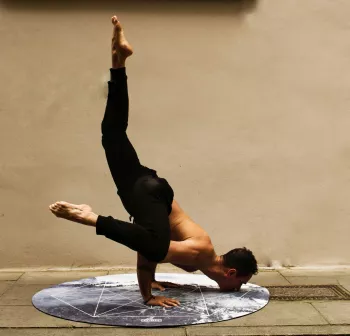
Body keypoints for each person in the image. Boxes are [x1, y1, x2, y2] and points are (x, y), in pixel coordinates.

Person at [49, 15, 258, 309]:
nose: (237, 288)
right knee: (155, 245)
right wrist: (148, 295)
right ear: (232, 273)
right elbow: (149, 248)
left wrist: (153, 280)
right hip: (149, 195)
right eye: (241, 283)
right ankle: (89, 216)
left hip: (142, 191)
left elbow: (151, 240)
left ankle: (118, 61)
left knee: (111, 133)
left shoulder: (200, 257)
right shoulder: (201, 252)